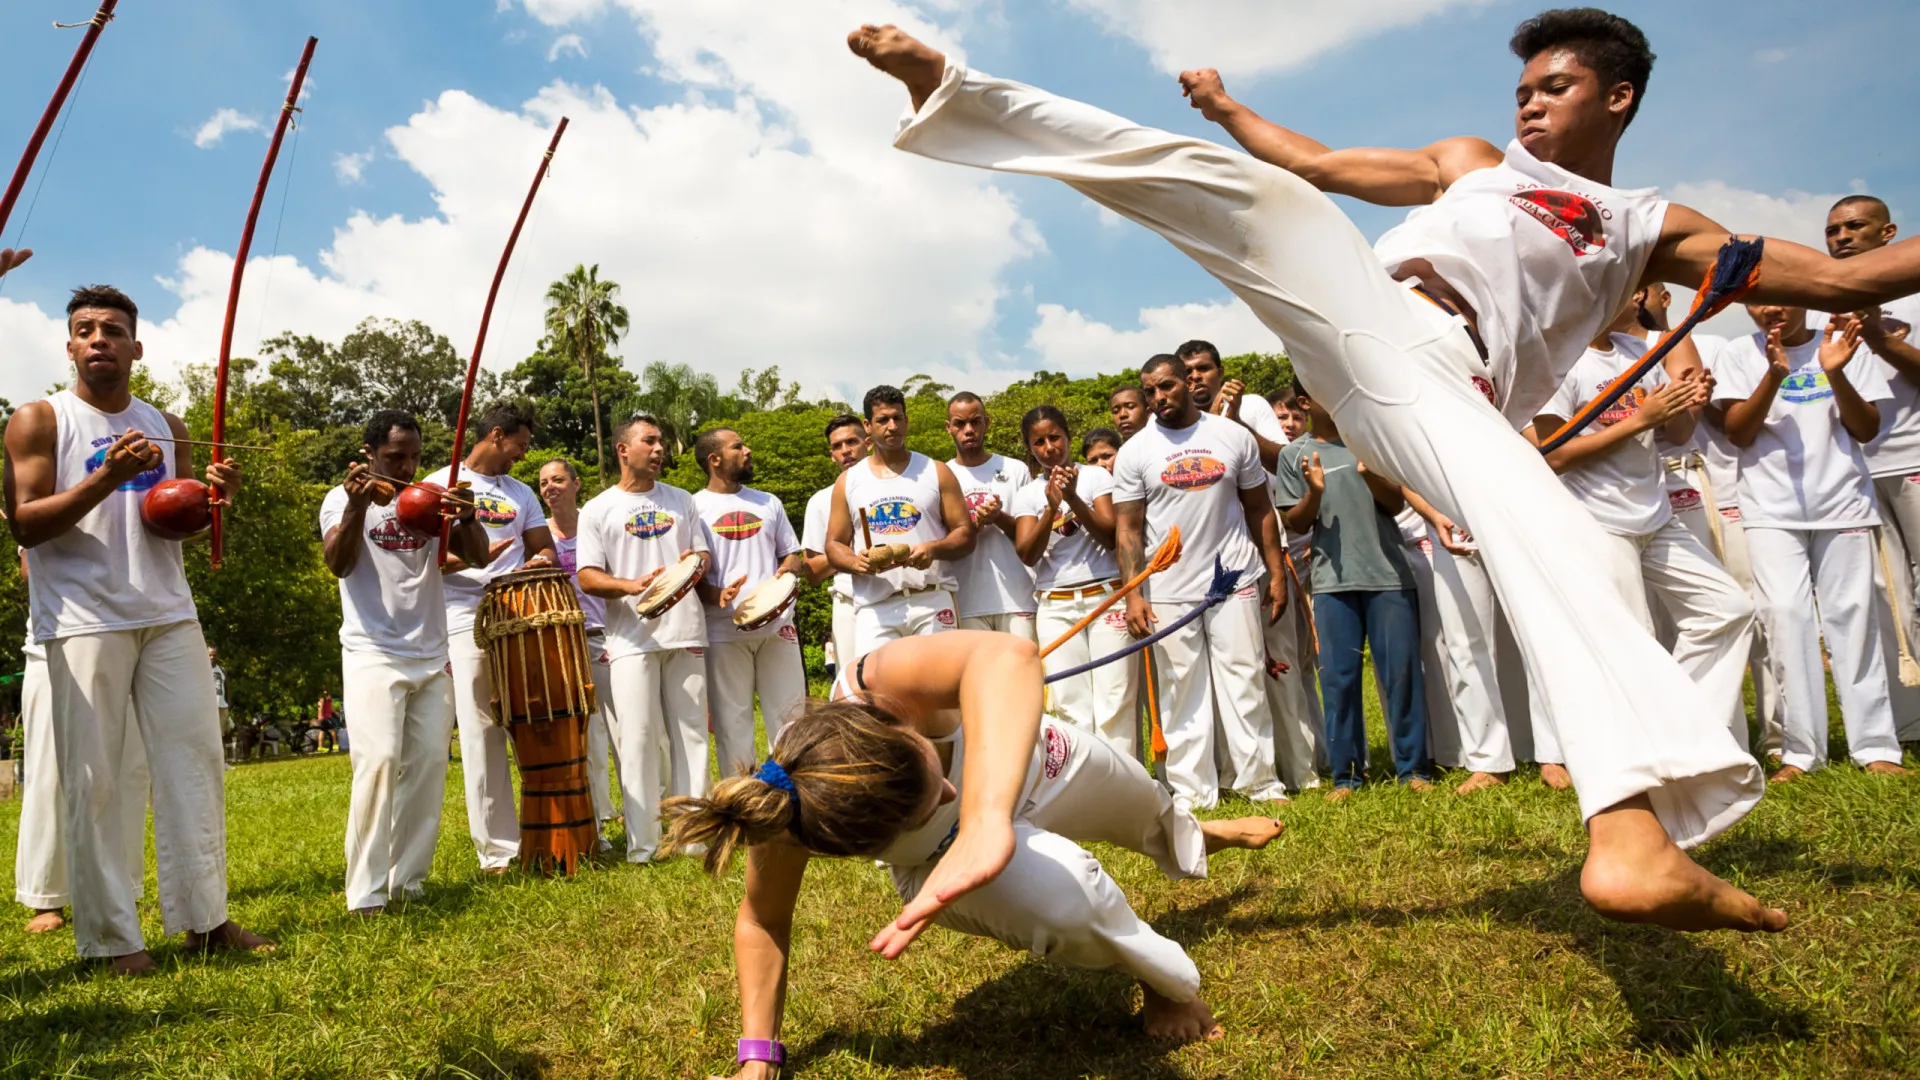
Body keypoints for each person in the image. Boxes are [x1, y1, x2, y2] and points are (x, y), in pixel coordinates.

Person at [844, 5, 1920, 929]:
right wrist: (1225, 112)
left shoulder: (1649, 227)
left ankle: (1629, 837)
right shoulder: (1471, 164)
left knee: (1572, 557)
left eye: (1556, 88)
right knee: (1262, 197)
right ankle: (956, 93)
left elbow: (1841, 274)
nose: (1529, 107)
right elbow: (1312, 163)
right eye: (1523, 89)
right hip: (1369, 313)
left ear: (1621, 98)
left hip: (1451, 396)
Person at [660, 631, 1289, 1078]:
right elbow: (763, 920)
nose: (950, 790)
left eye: (933, 772)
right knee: (1068, 903)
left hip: (1036, 765)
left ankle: (1197, 834)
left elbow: (1005, 654)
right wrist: (757, 1058)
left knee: (1148, 809)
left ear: (895, 725)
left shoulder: (875, 683)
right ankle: (1164, 984)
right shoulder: (794, 812)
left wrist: (985, 815)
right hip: (944, 863)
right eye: (930, 801)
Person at [3, 284, 270, 972]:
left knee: (196, 765)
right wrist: (104, 478)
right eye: (86, 330)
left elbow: (173, 518)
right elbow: (24, 522)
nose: (99, 339)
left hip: (168, 612)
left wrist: (216, 502)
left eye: (113, 330)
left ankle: (205, 919)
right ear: (69, 346)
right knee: (92, 781)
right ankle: (112, 939)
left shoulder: (167, 425)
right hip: (81, 620)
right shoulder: (39, 420)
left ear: (135, 347)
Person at [1533, 296, 1756, 749]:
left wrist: (1686, 404)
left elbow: (1676, 435)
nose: (1633, 296)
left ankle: (1685, 734)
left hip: (1656, 513)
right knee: (1635, 642)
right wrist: (1639, 420)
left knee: (1729, 610)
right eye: (1622, 285)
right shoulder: (1557, 359)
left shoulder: (1641, 353)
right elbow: (1552, 454)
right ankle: (1638, 758)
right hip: (1598, 521)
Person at [1709, 308, 1907, 782]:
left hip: (1842, 505)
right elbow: (1738, 432)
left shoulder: (1843, 342)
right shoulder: (1740, 353)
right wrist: (1775, 375)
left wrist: (1834, 372)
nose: (1769, 309)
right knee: (1785, 617)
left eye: (1781, 297)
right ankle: (1801, 751)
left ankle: (1876, 746)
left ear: (1803, 298)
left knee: (1852, 617)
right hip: (1770, 511)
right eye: (1758, 301)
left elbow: (1866, 429)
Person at [322, 408, 482, 916]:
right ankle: (365, 893)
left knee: (430, 765)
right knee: (379, 762)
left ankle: (407, 881)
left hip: (432, 652)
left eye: (414, 457)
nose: (408, 467)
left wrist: (466, 516)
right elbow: (338, 564)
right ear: (369, 454)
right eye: (395, 457)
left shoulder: (427, 499)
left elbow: (476, 556)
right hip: (372, 651)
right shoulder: (339, 498)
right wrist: (354, 506)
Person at [1111, 354, 1288, 807]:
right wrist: (1133, 596)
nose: (1158, 398)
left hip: (1234, 577)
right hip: (1169, 588)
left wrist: (1277, 572)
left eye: (1166, 386)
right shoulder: (1135, 452)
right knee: (1180, 689)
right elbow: (1128, 529)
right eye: (1149, 391)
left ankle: (1259, 783)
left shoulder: (1230, 435)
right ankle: (1193, 792)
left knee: (1244, 680)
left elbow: (1259, 509)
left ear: (1188, 384)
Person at [1276, 380, 1434, 798]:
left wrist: (1371, 474)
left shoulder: (1371, 441)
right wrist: (1313, 491)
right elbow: (1296, 523)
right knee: (1340, 681)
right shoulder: (1295, 454)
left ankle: (1414, 769)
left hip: (1388, 575)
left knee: (1401, 674)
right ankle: (1347, 776)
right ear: (1306, 402)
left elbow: (1396, 504)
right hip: (1332, 582)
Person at [421, 403, 555, 873]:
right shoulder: (440, 484)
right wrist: (476, 559)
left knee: (533, 719)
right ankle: (499, 851)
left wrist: (538, 561)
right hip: (463, 615)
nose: (523, 455)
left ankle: (549, 828)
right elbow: (426, 562)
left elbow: (544, 546)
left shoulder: (521, 493)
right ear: (496, 436)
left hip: (521, 611)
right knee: (482, 728)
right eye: (520, 445)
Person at [577, 415, 712, 862]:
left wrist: (694, 565)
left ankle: (694, 835)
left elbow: (701, 554)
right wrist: (632, 586)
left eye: (661, 443)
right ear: (623, 450)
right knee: (635, 738)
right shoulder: (597, 509)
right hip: (630, 637)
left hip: (686, 630)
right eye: (649, 441)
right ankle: (643, 844)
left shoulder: (682, 500)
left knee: (691, 734)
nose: (659, 450)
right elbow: (589, 576)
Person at [14, 555, 148, 935]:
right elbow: (29, 571)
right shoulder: (52, 494)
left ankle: (123, 887)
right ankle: (46, 897)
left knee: (128, 771)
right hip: (55, 638)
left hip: (133, 630)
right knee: (50, 772)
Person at [1828, 195, 1920, 746]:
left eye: (1854, 227)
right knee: (1885, 595)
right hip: (1854, 473)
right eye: (1833, 230)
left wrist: (1880, 336)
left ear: (1887, 235)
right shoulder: (1819, 310)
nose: (1841, 237)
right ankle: (1907, 725)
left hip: (1915, 460)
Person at [1011, 406, 1136, 754]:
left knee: (1115, 698)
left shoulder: (1096, 477)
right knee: (1070, 703)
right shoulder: (1029, 494)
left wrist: (1073, 499)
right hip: (1056, 605)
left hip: (1105, 595)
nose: (1049, 447)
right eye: (1039, 442)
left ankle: (1125, 787)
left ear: (1067, 437)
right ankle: (1087, 786)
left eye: (1055, 437)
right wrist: (1051, 507)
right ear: (1030, 448)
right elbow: (1027, 553)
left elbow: (1110, 535)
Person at [692, 427, 807, 779]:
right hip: (723, 630)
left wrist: (786, 578)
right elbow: (690, 574)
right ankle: (742, 810)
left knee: (791, 722)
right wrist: (717, 595)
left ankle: (794, 806)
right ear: (715, 460)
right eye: (738, 446)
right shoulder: (693, 506)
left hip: (778, 627)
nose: (748, 450)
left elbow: (793, 554)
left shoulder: (768, 502)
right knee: (733, 727)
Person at [826, 386, 975, 657]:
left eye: (897, 418)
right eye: (883, 420)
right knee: (877, 695)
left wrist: (933, 549)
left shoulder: (936, 471)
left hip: (932, 598)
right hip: (876, 605)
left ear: (906, 421)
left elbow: (965, 534)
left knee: (939, 692)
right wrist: (855, 562)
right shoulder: (848, 481)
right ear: (867, 426)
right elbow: (834, 544)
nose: (892, 426)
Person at [539, 457, 621, 847]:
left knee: (628, 729)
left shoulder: (598, 520)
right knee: (583, 738)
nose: (549, 487)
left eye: (557, 479)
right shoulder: (538, 535)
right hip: (564, 642)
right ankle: (598, 824)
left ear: (576, 483)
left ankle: (651, 817)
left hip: (610, 636)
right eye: (543, 483)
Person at [944, 393, 1037, 640]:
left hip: (1018, 598)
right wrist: (975, 523)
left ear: (987, 422)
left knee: (1023, 675)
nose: (969, 430)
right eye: (959, 424)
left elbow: (1031, 537)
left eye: (975, 421)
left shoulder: (1015, 469)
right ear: (948, 428)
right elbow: (945, 540)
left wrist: (998, 517)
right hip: (967, 602)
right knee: (979, 678)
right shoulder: (942, 475)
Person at [801, 415, 870, 676]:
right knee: (854, 686)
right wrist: (844, 552)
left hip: (897, 596)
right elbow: (813, 571)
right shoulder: (820, 502)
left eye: (852, 442)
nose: (845, 451)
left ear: (868, 443)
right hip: (848, 602)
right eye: (837, 446)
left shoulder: (897, 487)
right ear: (831, 455)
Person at [1180, 340, 1286, 468]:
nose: (1196, 376)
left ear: (1220, 373)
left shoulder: (1252, 405)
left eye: (1203, 368)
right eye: (1187, 372)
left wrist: (1236, 423)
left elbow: (1286, 465)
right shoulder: (1173, 422)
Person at [209, 648, 230, 763]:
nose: (212, 657)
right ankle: (213, 762)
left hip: (222, 706)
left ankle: (223, 762)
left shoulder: (222, 670)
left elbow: (227, 689)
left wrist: (228, 704)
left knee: (222, 735)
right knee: (211, 736)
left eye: (214, 655)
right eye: (210, 655)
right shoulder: (202, 670)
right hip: (209, 708)